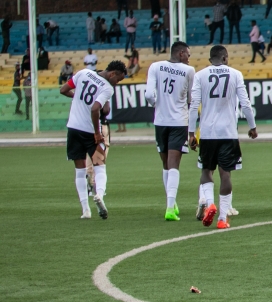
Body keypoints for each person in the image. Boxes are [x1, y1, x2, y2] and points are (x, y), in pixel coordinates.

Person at [189, 45, 258, 229]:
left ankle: (210, 203)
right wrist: (252, 127)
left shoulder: (200, 75)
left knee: (206, 171)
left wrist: (190, 133)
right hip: (228, 132)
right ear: (226, 58)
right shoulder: (235, 74)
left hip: (207, 133)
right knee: (225, 173)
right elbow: (245, 103)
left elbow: (194, 104)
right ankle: (222, 218)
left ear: (210, 59)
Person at [61, 59, 127, 219]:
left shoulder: (83, 73)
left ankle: (86, 210)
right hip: (90, 133)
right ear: (112, 74)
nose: (116, 83)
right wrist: (97, 133)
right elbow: (96, 108)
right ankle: (99, 196)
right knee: (100, 166)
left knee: (80, 171)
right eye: (118, 80)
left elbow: (63, 89)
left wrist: (77, 98)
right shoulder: (106, 88)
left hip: (73, 129)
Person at [143, 41, 195, 221]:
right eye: (188, 54)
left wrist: (158, 106)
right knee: (174, 164)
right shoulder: (189, 71)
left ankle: (171, 203)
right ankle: (170, 207)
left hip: (160, 121)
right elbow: (191, 99)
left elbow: (149, 95)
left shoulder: (155, 66)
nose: (189, 58)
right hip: (179, 121)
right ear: (181, 53)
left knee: (165, 164)